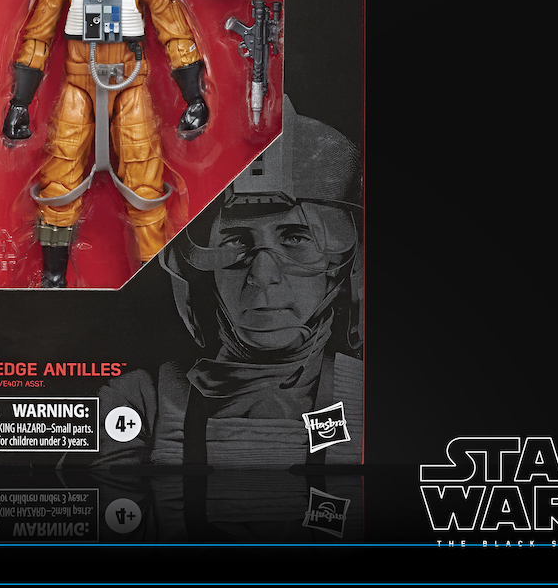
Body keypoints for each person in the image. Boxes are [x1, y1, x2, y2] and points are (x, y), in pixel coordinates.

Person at [87, 96, 362, 466]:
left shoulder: (366, 399)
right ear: (198, 268)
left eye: (296, 238)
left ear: (338, 264)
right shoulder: (140, 402)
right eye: (235, 242)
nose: (262, 277)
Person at [1, 0, 209, 287]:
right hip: (79, 90)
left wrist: (194, 97)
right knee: (59, 184)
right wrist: (20, 103)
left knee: (145, 188)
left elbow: (176, 35)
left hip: (131, 90)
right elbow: (36, 40)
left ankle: (152, 283)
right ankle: (53, 279)